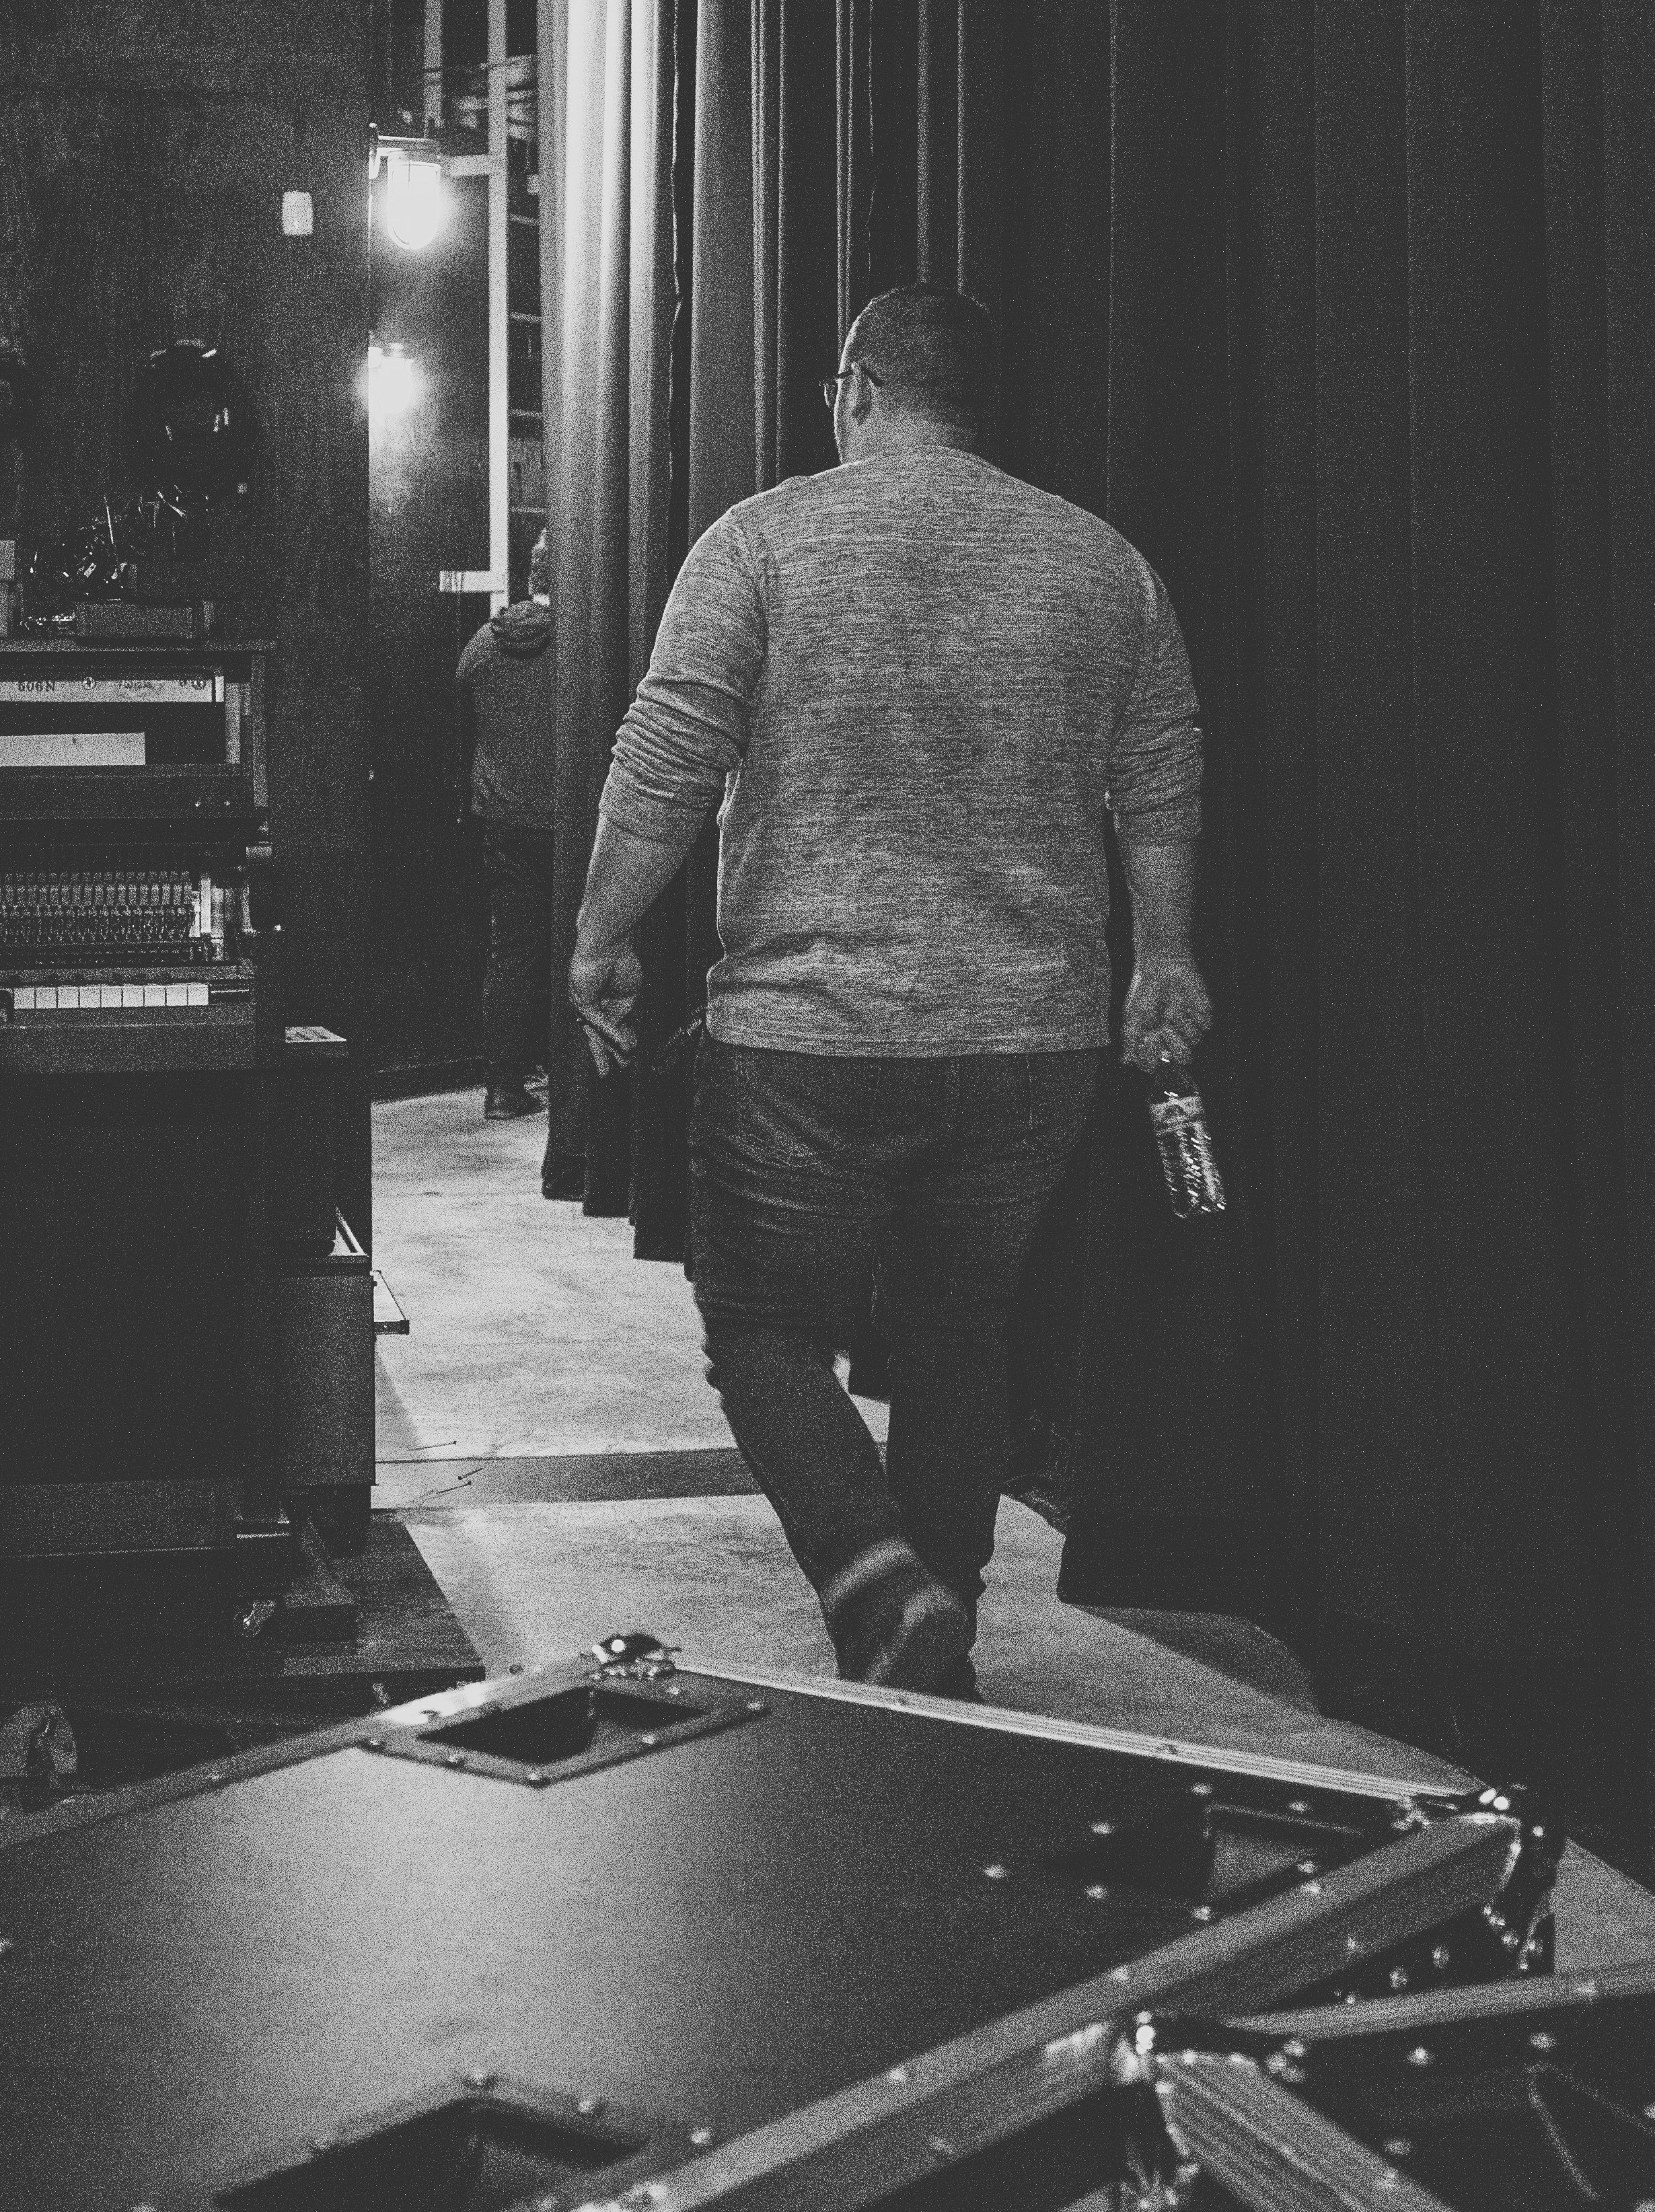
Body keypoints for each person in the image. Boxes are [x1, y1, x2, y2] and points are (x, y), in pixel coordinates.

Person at [570, 285, 1212, 1695]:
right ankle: (940, 1624)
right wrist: (1164, 956)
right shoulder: (1104, 565)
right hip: (1034, 1034)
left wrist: (603, 933)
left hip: (813, 1039)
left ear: (854, 388)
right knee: (960, 1327)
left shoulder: (760, 542)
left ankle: (880, 1588)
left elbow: (669, 753)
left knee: (762, 1328)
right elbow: (1159, 770)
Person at [459, 531, 557, 1119]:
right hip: (569, 819)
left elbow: (464, 711)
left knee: (513, 952)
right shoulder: (581, 645)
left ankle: (502, 1086)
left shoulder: (481, 645)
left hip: (503, 820)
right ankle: (575, 1086)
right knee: (581, 947)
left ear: (529, 577)